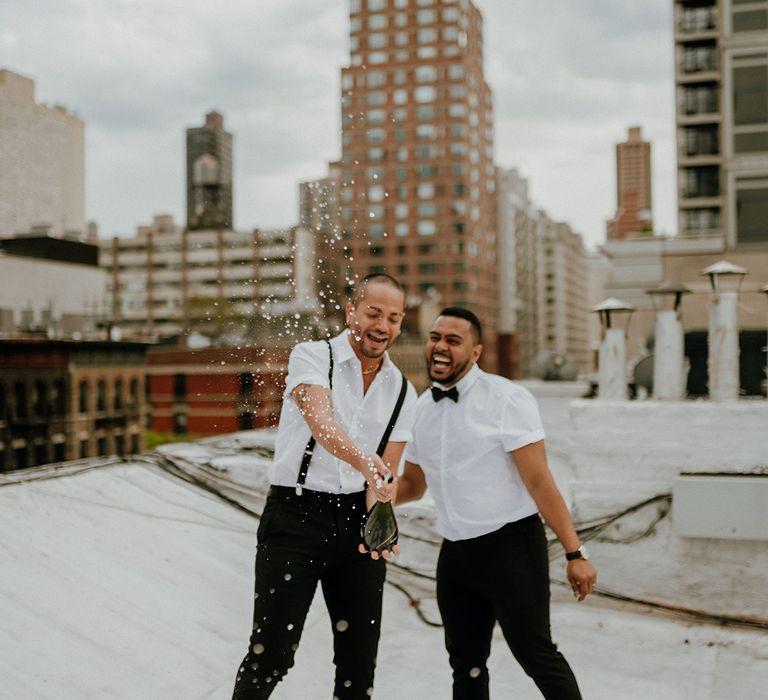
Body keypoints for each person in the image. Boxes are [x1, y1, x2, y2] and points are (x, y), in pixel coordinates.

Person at [232, 273, 417, 700]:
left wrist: (381, 518)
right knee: (271, 655)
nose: (382, 326)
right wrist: (366, 462)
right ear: (351, 310)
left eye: (393, 317)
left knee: (358, 666)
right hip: (296, 520)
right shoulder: (313, 356)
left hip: (357, 531)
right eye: (373, 312)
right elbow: (322, 422)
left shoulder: (404, 390)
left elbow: (384, 476)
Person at [396, 307, 597, 700]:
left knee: (535, 654)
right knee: (465, 664)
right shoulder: (421, 408)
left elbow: (540, 482)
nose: (440, 346)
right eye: (435, 337)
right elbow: (413, 486)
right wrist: (364, 496)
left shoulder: (507, 399)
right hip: (456, 555)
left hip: (511, 549)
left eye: (453, 341)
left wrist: (575, 553)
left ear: (475, 352)